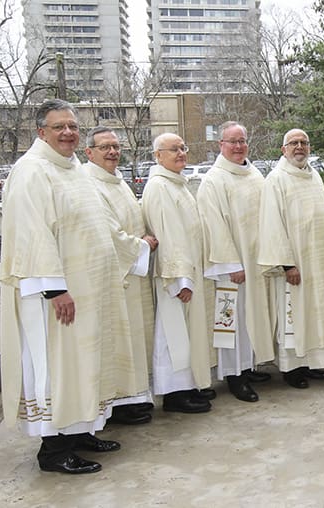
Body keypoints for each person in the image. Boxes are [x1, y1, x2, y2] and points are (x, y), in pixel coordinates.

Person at [0, 100, 127, 474]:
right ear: (41, 132)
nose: (68, 132)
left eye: (72, 125)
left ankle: (81, 428)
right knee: (59, 368)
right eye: (59, 127)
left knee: (84, 364)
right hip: (56, 298)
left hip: (88, 291)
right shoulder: (31, 172)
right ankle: (54, 451)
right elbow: (30, 234)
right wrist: (55, 290)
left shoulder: (72, 169)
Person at [84, 126, 157, 424]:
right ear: (89, 152)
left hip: (132, 275)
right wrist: (142, 245)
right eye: (105, 147)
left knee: (135, 338)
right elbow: (109, 234)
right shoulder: (91, 184)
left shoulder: (116, 180)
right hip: (116, 276)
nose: (112, 152)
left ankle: (134, 396)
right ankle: (118, 402)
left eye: (115, 146)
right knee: (120, 340)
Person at [196, 121, 275, 402]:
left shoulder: (254, 174)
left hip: (256, 262)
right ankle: (233, 374)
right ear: (221, 145)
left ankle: (247, 364)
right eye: (233, 141)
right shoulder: (214, 180)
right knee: (231, 318)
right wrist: (231, 264)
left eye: (242, 140)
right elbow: (212, 224)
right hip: (232, 266)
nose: (239, 146)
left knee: (251, 315)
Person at [142, 133, 214, 412]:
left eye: (183, 147)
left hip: (187, 272)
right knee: (172, 336)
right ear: (158, 155)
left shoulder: (176, 184)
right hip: (175, 277)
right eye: (173, 149)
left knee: (185, 334)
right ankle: (174, 394)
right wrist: (180, 280)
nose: (181, 153)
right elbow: (168, 235)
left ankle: (186, 386)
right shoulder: (160, 187)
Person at [258, 129, 324, 388]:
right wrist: (287, 264)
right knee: (294, 315)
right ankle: (292, 368)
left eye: (304, 143)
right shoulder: (276, 180)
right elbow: (272, 224)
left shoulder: (315, 176)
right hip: (295, 264)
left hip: (316, 260)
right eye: (294, 143)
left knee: (313, 313)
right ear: (284, 150)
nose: (299, 147)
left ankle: (311, 363)